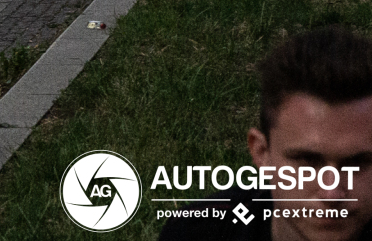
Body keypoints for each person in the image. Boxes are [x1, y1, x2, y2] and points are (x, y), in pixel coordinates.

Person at [159, 25, 372, 241]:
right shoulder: (197, 233)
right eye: (307, 161)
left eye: (358, 163)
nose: (332, 193)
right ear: (262, 153)